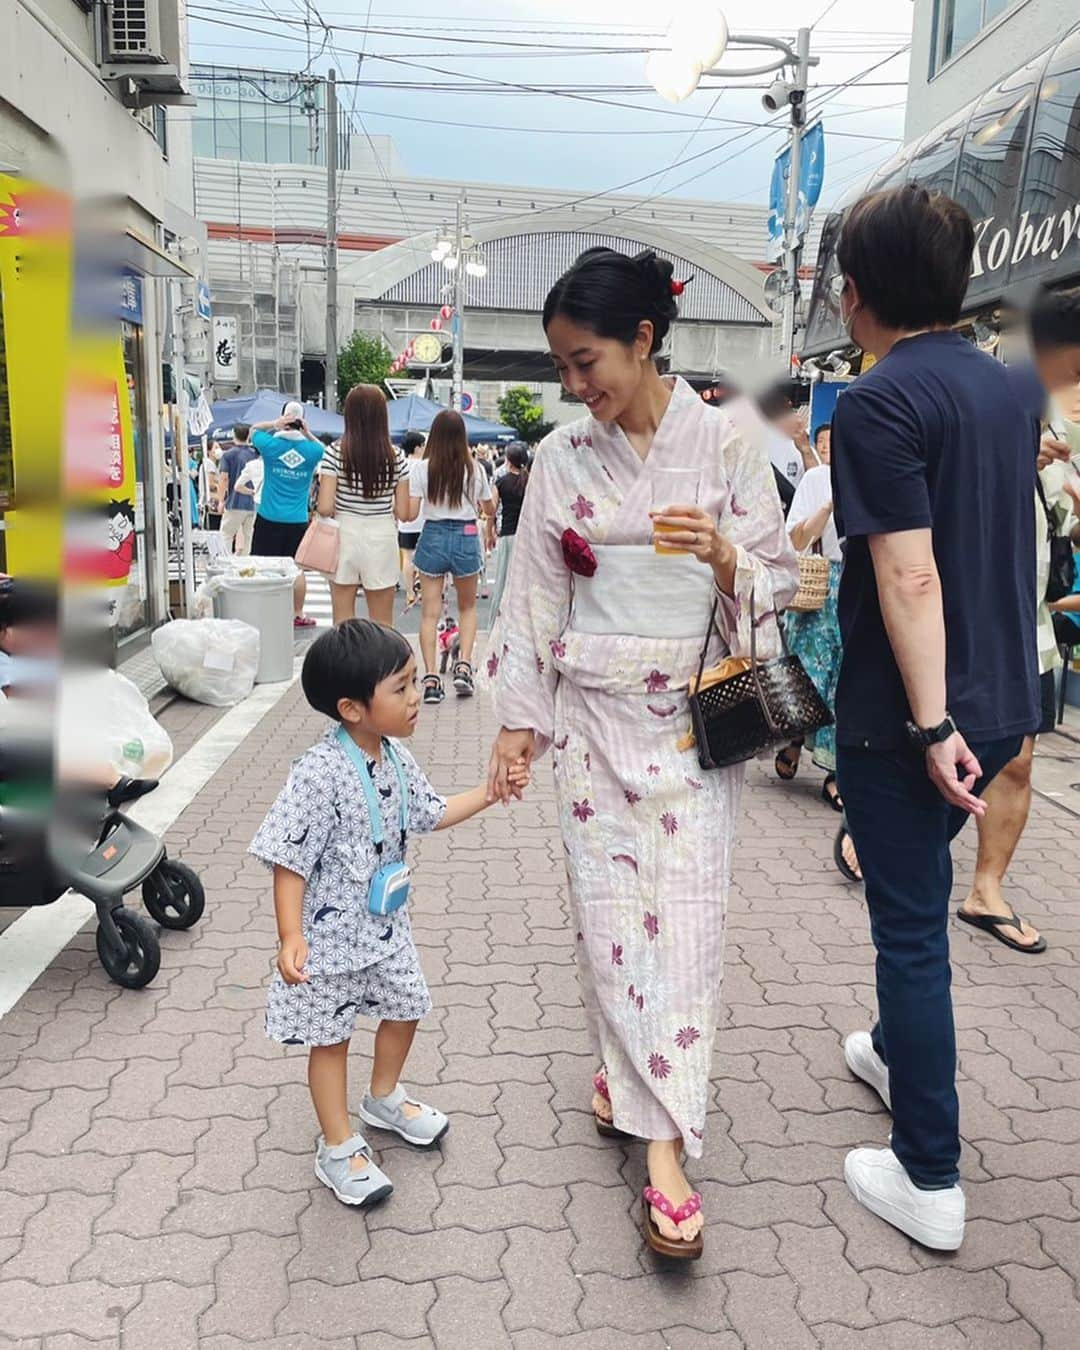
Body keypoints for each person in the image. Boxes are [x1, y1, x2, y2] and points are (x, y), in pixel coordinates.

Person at [484, 247, 798, 1259]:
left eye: (588, 364)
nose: (577, 389)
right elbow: (531, 595)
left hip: (695, 727)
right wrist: (516, 726)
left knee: (687, 931)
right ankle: (645, 1113)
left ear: (645, 340)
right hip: (590, 726)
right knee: (612, 925)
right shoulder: (566, 461)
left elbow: (783, 580)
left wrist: (724, 558)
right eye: (563, 371)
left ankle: (661, 1138)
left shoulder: (727, 445)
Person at [829, 185, 1041, 1251]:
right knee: (908, 909)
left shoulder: (872, 402)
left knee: (911, 930)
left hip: (912, 718)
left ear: (855, 293)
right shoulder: (1012, 391)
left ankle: (930, 1176)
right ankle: (891, 1052)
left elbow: (909, 578)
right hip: (1004, 701)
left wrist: (924, 724)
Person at [249, 619, 529, 1208]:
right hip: (328, 943)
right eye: (400, 688)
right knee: (330, 1040)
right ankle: (338, 1145)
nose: (413, 698)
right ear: (352, 708)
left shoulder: (396, 758)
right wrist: (290, 933)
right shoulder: (318, 774)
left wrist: (492, 791)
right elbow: (288, 859)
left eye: (411, 684)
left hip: (385, 930)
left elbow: (431, 812)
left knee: (408, 1008)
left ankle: (382, 1097)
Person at [404, 410, 495, 704]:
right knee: (468, 608)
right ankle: (464, 667)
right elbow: (489, 508)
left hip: (433, 534)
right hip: (467, 534)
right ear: (462, 437)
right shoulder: (475, 468)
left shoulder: (421, 469)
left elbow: (412, 512)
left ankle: (431, 680)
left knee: (430, 612)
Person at [774, 436, 844, 809]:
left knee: (845, 683)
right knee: (810, 675)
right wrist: (832, 505)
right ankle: (795, 737)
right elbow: (795, 538)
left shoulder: (877, 475)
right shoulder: (817, 479)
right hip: (820, 588)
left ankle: (837, 773)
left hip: (860, 588)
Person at [316, 385, 409, 628]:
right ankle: (383, 666)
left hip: (344, 534)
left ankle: (343, 666)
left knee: (342, 622)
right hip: (382, 534)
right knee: (382, 623)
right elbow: (404, 512)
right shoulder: (396, 456)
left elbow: (324, 506)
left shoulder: (333, 453)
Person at [250, 402, 326, 629]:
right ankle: (297, 613)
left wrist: (274, 424)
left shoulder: (271, 445)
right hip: (297, 520)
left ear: (284, 418)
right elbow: (323, 448)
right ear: (302, 421)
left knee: (262, 565)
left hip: (268, 517)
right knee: (296, 569)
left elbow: (253, 430)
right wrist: (308, 432)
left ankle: (261, 610)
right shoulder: (312, 452)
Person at [486, 442, 530, 622]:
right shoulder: (530, 482)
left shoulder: (501, 482)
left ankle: (496, 623)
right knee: (523, 582)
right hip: (527, 537)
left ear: (508, 461)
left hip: (508, 535)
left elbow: (491, 511)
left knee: (503, 581)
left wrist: (489, 533)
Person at [217, 424, 258, 556]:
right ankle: (245, 566)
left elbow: (223, 478)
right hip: (253, 502)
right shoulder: (255, 454)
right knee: (248, 538)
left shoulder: (228, 455)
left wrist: (221, 500)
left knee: (226, 534)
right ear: (248, 436)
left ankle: (226, 564)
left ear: (234, 435)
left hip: (235, 501)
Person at [396, 431, 427, 608]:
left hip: (404, 519)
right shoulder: (424, 466)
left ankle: (409, 592)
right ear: (417, 447)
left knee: (407, 556)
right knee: (423, 557)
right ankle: (421, 589)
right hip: (424, 518)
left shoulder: (400, 465)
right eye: (423, 446)